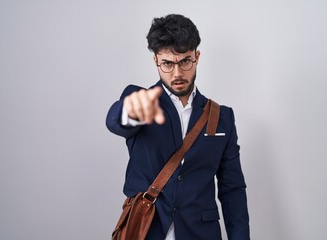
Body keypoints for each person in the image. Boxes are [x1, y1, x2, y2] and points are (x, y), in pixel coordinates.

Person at [106, 14, 250, 240]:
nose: (177, 73)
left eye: (185, 61)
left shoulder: (222, 117)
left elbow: (232, 189)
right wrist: (129, 112)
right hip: (146, 232)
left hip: (201, 233)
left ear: (197, 57)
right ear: (155, 60)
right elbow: (116, 120)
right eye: (167, 63)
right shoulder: (139, 99)